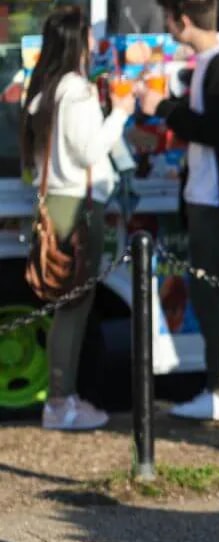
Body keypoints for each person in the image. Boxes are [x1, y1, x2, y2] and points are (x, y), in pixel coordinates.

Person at [142, 0, 219, 421]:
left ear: (184, 20)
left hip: (214, 201)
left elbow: (216, 129)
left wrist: (163, 108)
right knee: (213, 292)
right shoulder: (212, 63)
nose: (167, 28)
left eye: (169, 20)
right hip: (205, 196)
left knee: (210, 293)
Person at [21, 5, 135, 431]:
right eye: (88, 36)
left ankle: (62, 396)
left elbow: (39, 160)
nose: (93, 43)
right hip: (79, 204)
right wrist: (120, 111)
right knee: (75, 306)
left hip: (55, 201)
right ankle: (60, 400)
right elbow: (89, 151)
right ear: (76, 41)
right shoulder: (76, 91)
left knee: (66, 305)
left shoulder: (44, 88)